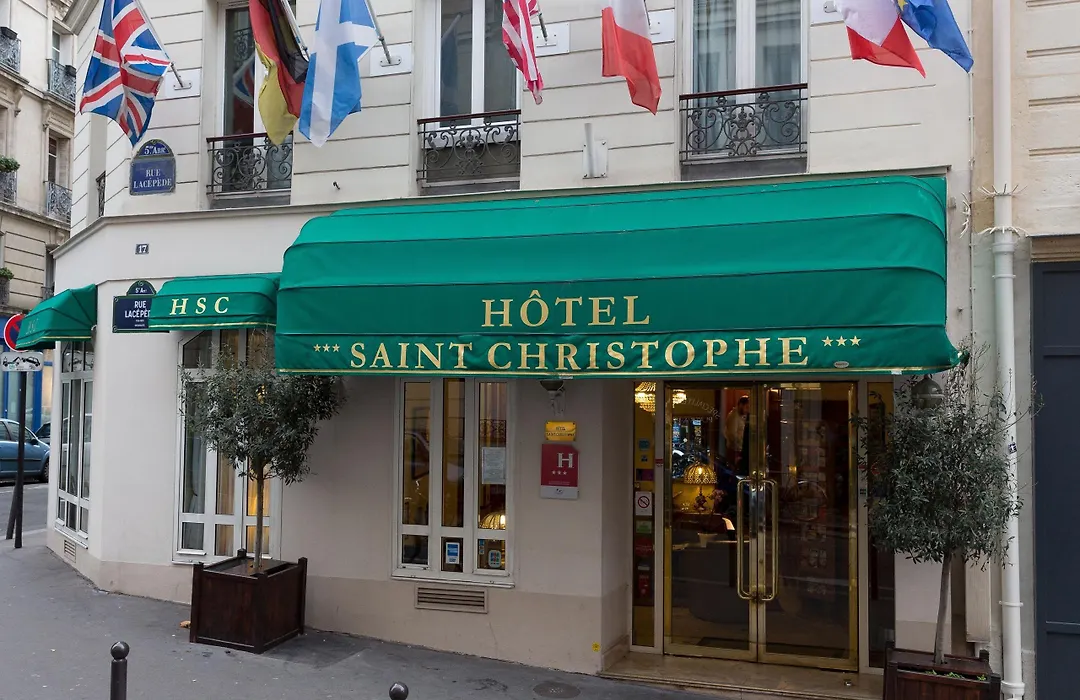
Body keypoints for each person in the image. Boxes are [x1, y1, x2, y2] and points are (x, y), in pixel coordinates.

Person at [724, 395, 750, 467]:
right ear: (741, 405)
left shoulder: (740, 416)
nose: (747, 410)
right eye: (746, 407)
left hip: (738, 449)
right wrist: (742, 443)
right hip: (735, 451)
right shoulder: (734, 416)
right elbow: (732, 435)